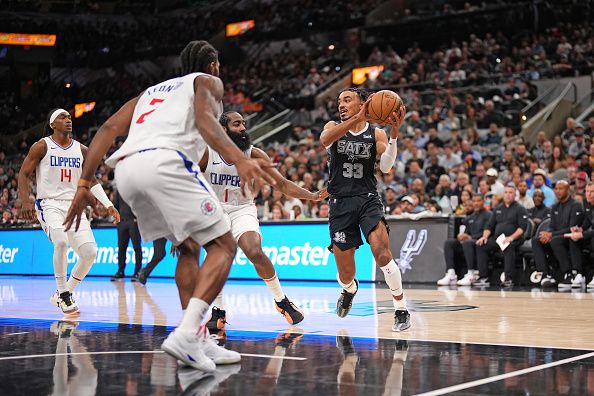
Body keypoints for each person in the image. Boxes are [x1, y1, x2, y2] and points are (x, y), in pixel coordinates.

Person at [63, 40, 275, 372]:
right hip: (167, 163)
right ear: (214, 65)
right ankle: (188, 333)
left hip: (128, 172)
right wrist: (240, 160)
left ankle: (199, 337)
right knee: (223, 245)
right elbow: (207, 123)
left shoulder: (149, 93)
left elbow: (106, 129)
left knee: (188, 248)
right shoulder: (208, 82)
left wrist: (84, 183)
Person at [200, 111, 328, 331]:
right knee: (217, 258)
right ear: (223, 129)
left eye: (244, 123)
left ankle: (281, 300)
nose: (243, 128)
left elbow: (282, 184)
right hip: (214, 212)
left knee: (254, 251)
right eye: (236, 124)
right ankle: (218, 311)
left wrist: (313, 195)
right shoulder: (206, 153)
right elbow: (186, 181)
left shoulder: (255, 154)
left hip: (242, 209)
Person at [320, 87, 411, 332]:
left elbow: (387, 167)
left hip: (367, 199)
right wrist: (356, 118)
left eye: (347, 100)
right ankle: (350, 289)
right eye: (339, 101)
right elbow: (325, 141)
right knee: (346, 274)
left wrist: (394, 134)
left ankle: (401, 308)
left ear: (363, 103)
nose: (341, 104)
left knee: (382, 252)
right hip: (340, 204)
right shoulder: (332, 127)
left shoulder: (376, 133)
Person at [17, 108, 120, 314]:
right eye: (62, 117)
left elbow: (91, 180)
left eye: (69, 117)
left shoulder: (81, 149)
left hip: (73, 205)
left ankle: (62, 294)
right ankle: (65, 295)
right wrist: (25, 201)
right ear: (53, 124)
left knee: (90, 253)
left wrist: (108, 204)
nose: (68, 120)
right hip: (50, 204)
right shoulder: (42, 146)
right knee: (61, 242)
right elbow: (24, 174)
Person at [474, 184, 528, 287]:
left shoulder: (520, 209)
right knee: (481, 245)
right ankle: (483, 277)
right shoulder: (498, 209)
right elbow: (489, 226)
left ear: (515, 195)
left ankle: (508, 278)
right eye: (506, 192)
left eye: (510, 192)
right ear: (503, 194)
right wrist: (484, 237)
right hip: (498, 238)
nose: (508, 195)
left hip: (515, 238)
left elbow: (522, 228)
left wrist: (511, 237)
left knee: (508, 245)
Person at [533, 181, 584, 288]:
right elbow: (552, 226)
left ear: (568, 190)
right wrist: (547, 233)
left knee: (555, 240)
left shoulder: (576, 205)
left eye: (561, 189)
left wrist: (551, 234)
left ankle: (569, 274)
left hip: (570, 237)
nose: (558, 191)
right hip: (556, 236)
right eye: (556, 189)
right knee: (536, 240)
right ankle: (546, 274)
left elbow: (572, 228)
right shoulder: (555, 207)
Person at [437, 195, 491, 286]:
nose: (476, 203)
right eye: (474, 201)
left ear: (483, 202)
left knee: (468, 242)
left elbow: (488, 233)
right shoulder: (470, 217)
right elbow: (466, 233)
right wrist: (461, 236)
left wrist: (470, 237)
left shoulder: (489, 215)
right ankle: (451, 274)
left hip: (481, 243)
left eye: (478, 201)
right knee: (449, 242)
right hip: (468, 245)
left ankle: (471, 273)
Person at [112, 191, 143, 281]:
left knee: (137, 247)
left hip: (133, 221)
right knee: (121, 248)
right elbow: (116, 205)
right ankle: (120, 271)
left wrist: (138, 218)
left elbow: (141, 205)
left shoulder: (135, 189)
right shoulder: (119, 190)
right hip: (122, 222)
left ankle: (137, 272)